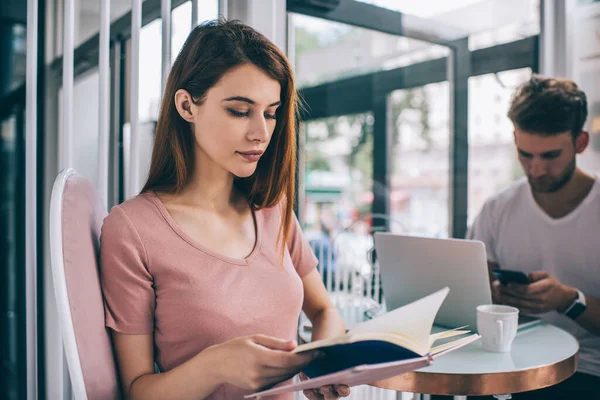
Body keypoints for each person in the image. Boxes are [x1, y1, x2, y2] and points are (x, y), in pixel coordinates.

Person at [100, 19, 350, 400]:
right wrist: (215, 366)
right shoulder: (132, 229)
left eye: (270, 113)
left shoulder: (274, 210)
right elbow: (137, 391)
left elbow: (324, 310)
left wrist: (327, 357)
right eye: (239, 111)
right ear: (187, 105)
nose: (261, 133)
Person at [468, 75, 600, 399]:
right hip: (509, 364)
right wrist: (493, 297)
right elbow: (471, 295)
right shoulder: (497, 208)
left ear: (580, 143)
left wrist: (569, 300)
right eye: (525, 154)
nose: (536, 169)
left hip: (586, 370)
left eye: (551, 156)